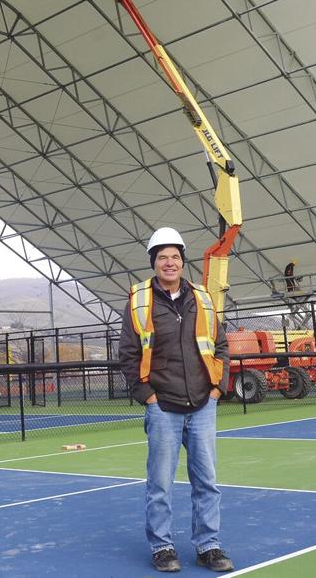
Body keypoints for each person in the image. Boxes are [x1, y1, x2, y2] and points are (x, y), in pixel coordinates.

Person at [118, 227, 234, 573]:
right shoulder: (139, 301)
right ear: (153, 262)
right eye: (162, 257)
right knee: (160, 483)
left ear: (183, 263)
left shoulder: (202, 298)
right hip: (162, 405)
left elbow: (222, 347)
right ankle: (162, 546)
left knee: (207, 481)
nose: (169, 263)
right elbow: (127, 353)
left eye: (175, 257)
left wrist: (218, 389)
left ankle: (208, 546)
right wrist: (147, 397)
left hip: (202, 403)